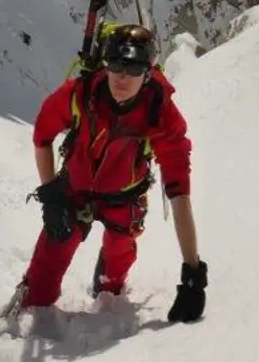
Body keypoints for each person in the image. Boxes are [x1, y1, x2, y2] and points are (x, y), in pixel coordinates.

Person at [20, 23, 208, 323]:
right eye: (116, 65)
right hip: (74, 193)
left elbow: (179, 192)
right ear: (105, 65)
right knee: (38, 288)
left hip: (125, 199)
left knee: (114, 275)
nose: (122, 76)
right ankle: (34, 305)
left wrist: (193, 271)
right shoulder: (79, 95)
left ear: (148, 73)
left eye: (133, 68)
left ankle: (106, 287)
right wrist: (51, 194)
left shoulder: (159, 112)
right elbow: (42, 136)